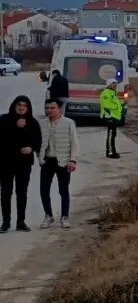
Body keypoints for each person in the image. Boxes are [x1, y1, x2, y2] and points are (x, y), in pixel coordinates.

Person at [0, 96, 42, 233]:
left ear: (28, 108)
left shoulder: (33, 122)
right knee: (6, 193)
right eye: (19, 104)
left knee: (21, 193)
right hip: (6, 162)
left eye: (25, 105)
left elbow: (38, 141)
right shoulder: (4, 119)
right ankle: (6, 222)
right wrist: (15, 126)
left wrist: (31, 148)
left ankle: (20, 222)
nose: (22, 107)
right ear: (14, 105)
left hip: (24, 163)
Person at [39, 99, 78, 229]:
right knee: (44, 190)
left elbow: (74, 143)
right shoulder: (42, 124)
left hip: (63, 161)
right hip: (47, 160)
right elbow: (38, 142)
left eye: (52, 108)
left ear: (59, 109)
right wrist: (39, 157)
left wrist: (72, 160)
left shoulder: (68, 123)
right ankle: (48, 216)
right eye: (47, 108)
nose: (49, 110)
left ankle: (64, 217)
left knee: (63, 190)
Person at [99, 81, 123, 159]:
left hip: (114, 116)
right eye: (113, 84)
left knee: (113, 134)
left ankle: (113, 151)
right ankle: (110, 152)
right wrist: (116, 106)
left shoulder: (112, 92)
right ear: (109, 84)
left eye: (116, 84)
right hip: (110, 116)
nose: (115, 85)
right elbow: (106, 105)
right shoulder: (106, 93)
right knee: (110, 135)